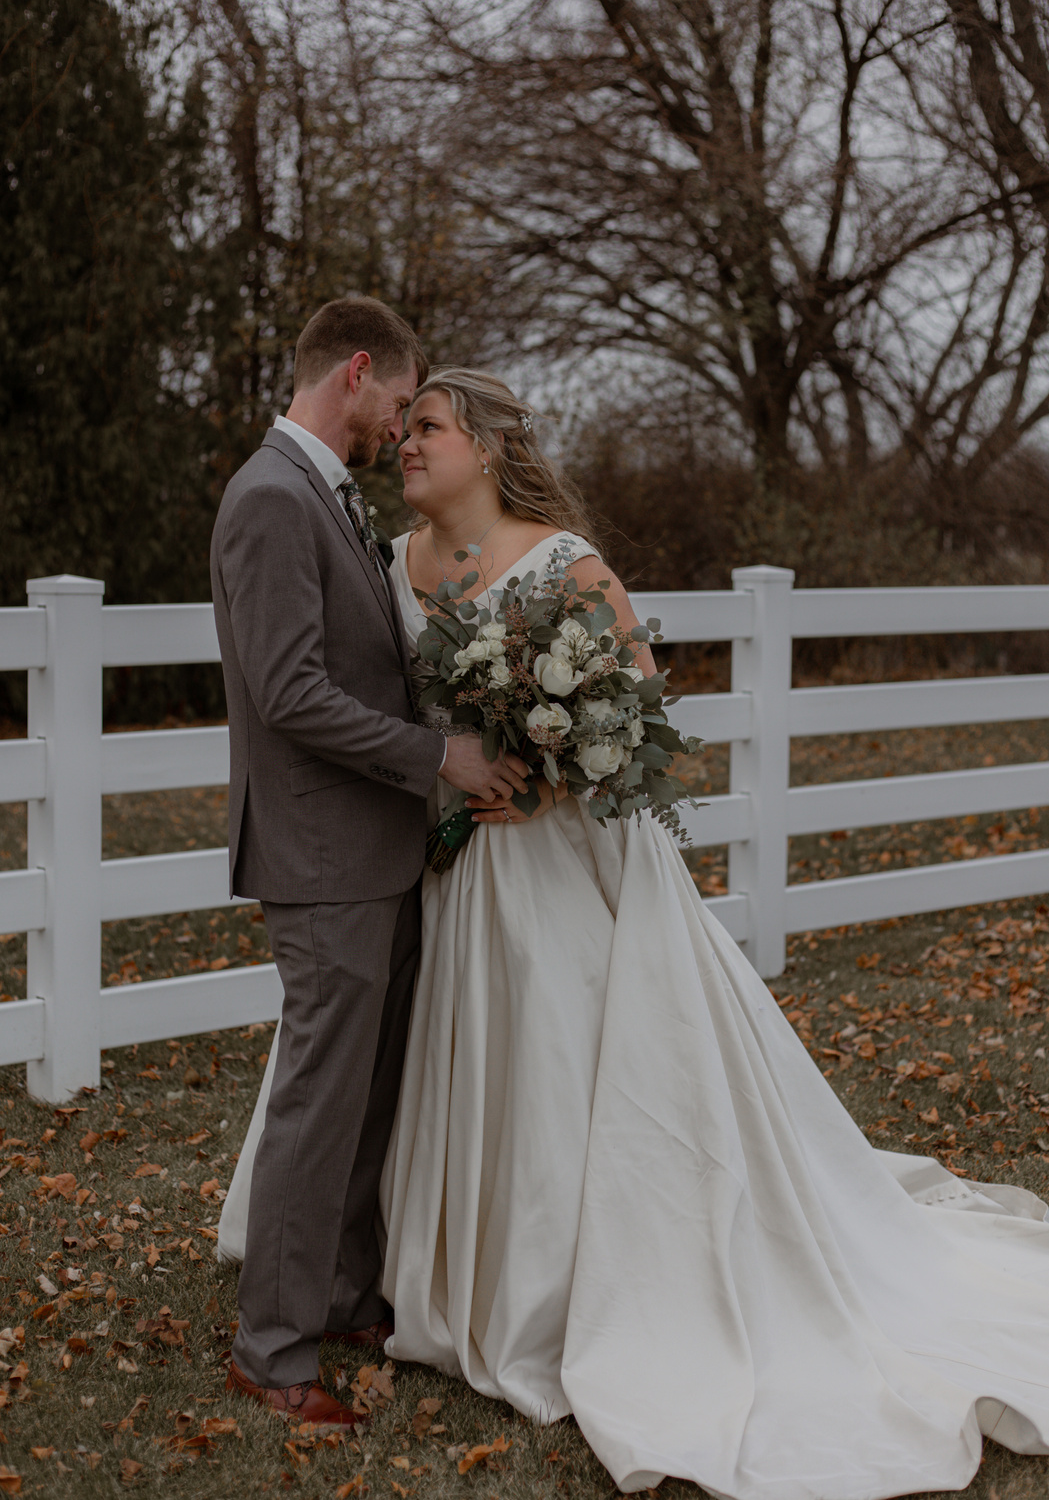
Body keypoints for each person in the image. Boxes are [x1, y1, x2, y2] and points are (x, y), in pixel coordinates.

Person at [221, 367, 1049, 1498]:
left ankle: (570, 1291)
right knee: (449, 1069)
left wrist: (547, 781)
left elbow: (640, 722)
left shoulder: (566, 562)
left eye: (427, 428)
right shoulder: (391, 566)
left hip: (559, 868)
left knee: (567, 1067)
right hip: (450, 872)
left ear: (488, 447)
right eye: (401, 425)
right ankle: (427, 1281)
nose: (406, 444)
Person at [210, 312, 526, 1428]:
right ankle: (274, 1348)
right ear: (356, 375)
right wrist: (438, 754)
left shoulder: (320, 492)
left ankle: (339, 1291)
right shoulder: (268, 498)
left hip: (371, 849)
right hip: (320, 851)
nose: (399, 425)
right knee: (317, 1095)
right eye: (397, 402)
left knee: (368, 1088)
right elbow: (290, 693)